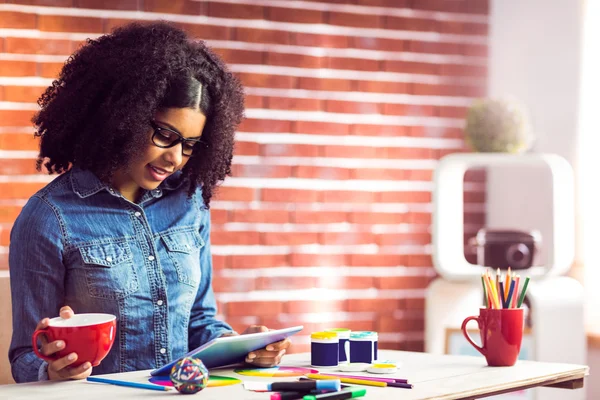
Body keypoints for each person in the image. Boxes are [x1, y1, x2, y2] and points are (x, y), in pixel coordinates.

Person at [8, 21, 290, 383]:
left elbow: (199, 321)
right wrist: (50, 368)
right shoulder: (49, 217)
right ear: (121, 116)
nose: (175, 159)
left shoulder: (189, 202)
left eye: (190, 145)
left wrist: (241, 346)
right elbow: (24, 357)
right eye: (165, 135)